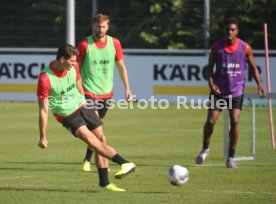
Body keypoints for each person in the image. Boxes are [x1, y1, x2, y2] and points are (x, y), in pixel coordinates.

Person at [37, 44, 135, 192]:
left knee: (101, 138)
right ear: (62, 59)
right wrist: (43, 136)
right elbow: (44, 110)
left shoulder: (74, 67)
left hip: (82, 105)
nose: (74, 64)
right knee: (91, 140)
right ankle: (124, 163)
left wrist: (85, 103)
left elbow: (79, 86)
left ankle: (104, 183)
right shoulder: (45, 78)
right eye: (71, 61)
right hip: (67, 114)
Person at [195, 18, 266, 168]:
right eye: (228, 29)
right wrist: (211, 82)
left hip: (236, 91)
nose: (230, 32)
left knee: (235, 121)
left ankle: (231, 158)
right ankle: (205, 149)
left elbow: (253, 68)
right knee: (210, 121)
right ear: (224, 31)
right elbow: (209, 68)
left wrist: (259, 85)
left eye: (233, 30)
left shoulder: (245, 47)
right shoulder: (217, 47)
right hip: (219, 91)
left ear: (237, 31)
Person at [77, 13, 132, 172]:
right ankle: (104, 166)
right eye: (98, 26)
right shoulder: (84, 45)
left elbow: (121, 66)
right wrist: (78, 89)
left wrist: (127, 88)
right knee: (98, 131)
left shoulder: (114, 43)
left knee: (96, 129)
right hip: (88, 92)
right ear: (93, 26)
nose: (100, 29)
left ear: (108, 27)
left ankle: (88, 158)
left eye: (103, 26)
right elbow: (76, 68)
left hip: (106, 94)